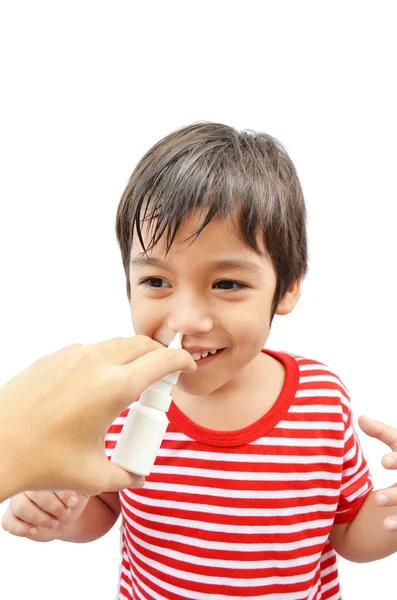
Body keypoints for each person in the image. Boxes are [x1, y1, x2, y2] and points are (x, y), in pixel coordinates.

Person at [3, 122, 397, 598]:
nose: (186, 320)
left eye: (227, 284)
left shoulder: (320, 400)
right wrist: (56, 508)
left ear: (288, 287)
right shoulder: (116, 396)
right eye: (155, 281)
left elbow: (349, 536)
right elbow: (101, 510)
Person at [0, 335, 196, 503]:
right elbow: (104, 501)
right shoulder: (113, 405)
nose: (185, 320)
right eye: (156, 287)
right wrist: (63, 498)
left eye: (224, 287)